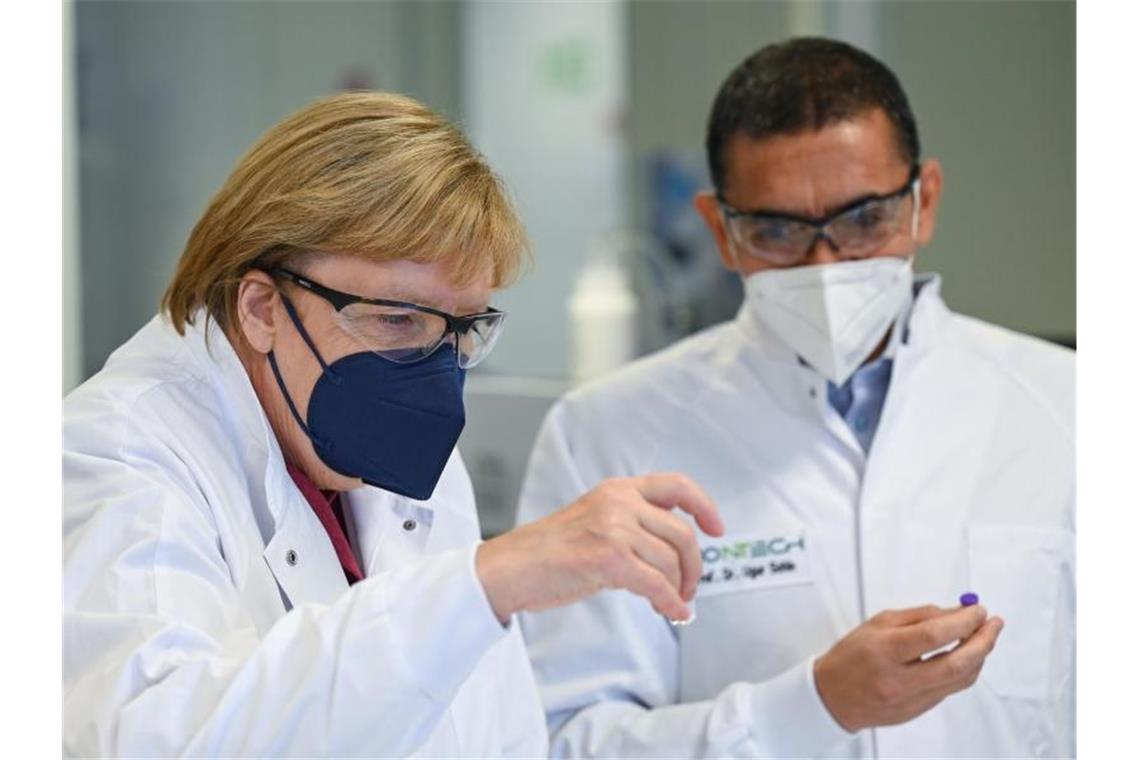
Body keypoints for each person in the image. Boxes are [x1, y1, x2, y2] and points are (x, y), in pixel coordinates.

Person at [63, 92, 724, 757]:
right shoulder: (118, 455)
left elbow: (494, 736)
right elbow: (152, 739)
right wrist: (487, 582)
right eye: (398, 321)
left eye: (464, 328)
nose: (435, 369)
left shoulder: (395, 456)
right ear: (263, 307)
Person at [516, 37, 1074, 758]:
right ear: (721, 229)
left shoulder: (1073, 410)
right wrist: (805, 709)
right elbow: (562, 741)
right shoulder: (608, 433)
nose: (825, 264)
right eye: (777, 231)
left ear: (923, 202)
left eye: (864, 219)